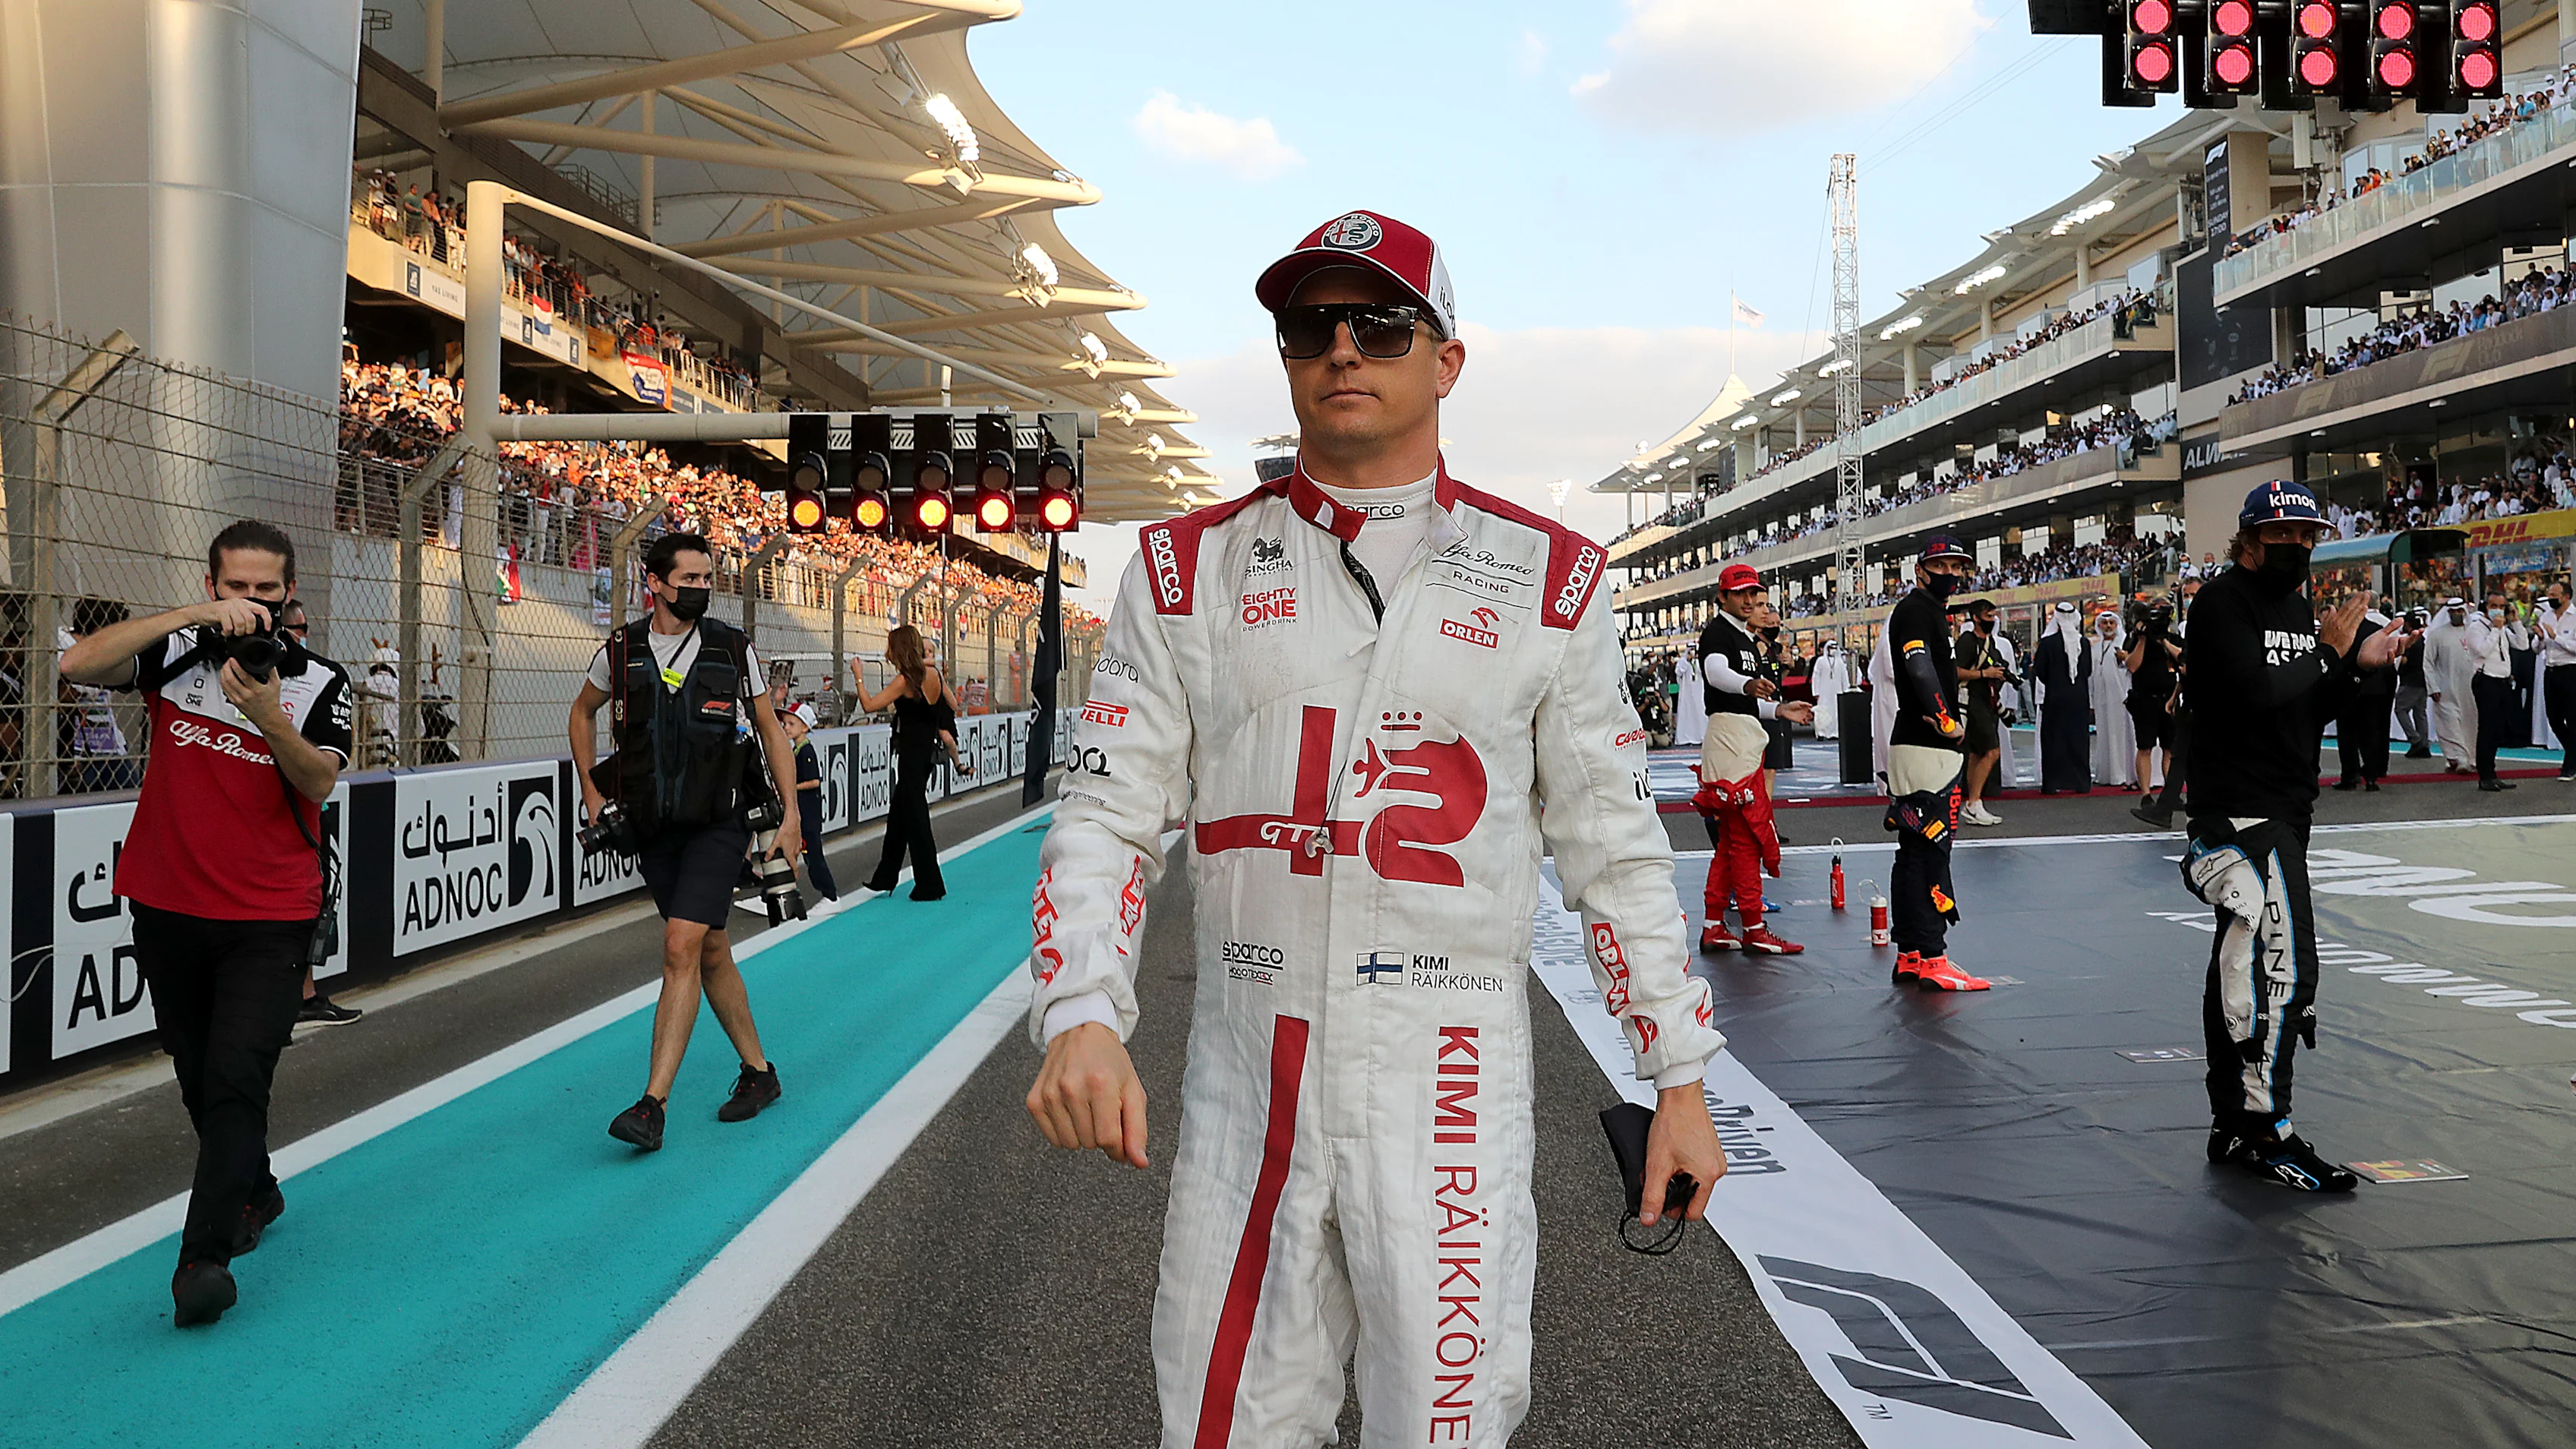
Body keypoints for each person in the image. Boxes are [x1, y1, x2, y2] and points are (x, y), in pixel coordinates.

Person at [1022, 210, 1727, 1444]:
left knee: (1449, 1425)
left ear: (1445, 358)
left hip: (1448, 1088)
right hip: (1248, 1085)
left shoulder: (1551, 578)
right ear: (1287, 354)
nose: (1344, 347)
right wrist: (1081, 1007)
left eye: (1381, 322)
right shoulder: (1185, 568)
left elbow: (1611, 847)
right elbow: (1109, 809)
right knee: (1222, 1423)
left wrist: (1674, 1075)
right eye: (1311, 324)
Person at [59, 521, 355, 1327]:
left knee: (235, 1080)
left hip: (269, 915)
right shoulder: (177, 654)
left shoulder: (321, 683)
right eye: (237, 588)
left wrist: (267, 718)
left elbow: (318, 785)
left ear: (290, 594)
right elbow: (77, 664)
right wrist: (192, 616)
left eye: (267, 591)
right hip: (166, 903)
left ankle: (204, 1260)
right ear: (214, 582)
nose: (253, 605)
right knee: (197, 1076)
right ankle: (253, 1187)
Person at [2180, 480, 2411, 1192]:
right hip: (2243, 813)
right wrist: (2330, 652)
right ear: (2248, 539)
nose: (2299, 547)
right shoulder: (2220, 604)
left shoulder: (2294, 606)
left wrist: (2355, 668)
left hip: (2286, 805)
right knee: (2283, 974)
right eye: (2284, 535)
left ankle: (2235, 1123)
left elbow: (2300, 709)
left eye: (2310, 536)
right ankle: (2266, 1126)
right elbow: (2254, 693)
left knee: (2244, 969)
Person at [569, 532, 795, 1153]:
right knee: (711, 950)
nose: (699, 588)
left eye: (706, 578)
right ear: (656, 582)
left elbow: (772, 731)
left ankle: (652, 1105)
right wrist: (593, 792)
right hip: (653, 827)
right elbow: (582, 712)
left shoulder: (731, 646)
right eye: (688, 578)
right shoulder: (620, 651)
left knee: (679, 947)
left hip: (718, 823)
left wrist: (793, 814)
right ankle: (759, 1073)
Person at [1881, 535, 1990, 991]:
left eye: (1958, 566)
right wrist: (1948, 723)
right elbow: (1919, 667)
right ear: (1922, 570)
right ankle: (1931, 954)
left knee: (1912, 852)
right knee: (1930, 851)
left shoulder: (1926, 612)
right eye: (1943, 565)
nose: (1952, 573)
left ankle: (1910, 952)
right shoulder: (1917, 611)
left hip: (1914, 743)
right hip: (1927, 747)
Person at [1693, 564, 1813, 955]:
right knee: (1746, 838)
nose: (1749, 601)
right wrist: (1748, 685)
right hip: (1731, 742)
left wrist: (1779, 710)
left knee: (1731, 840)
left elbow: (1742, 702)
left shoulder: (1743, 636)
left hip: (1737, 735)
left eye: (1754, 594)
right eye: (1741, 593)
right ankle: (1753, 926)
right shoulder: (1719, 632)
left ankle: (1715, 924)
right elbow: (1716, 675)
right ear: (1722, 596)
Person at [273, 601, 364, 1027]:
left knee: (318, 897)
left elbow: (324, 767)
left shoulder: (320, 678)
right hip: (268, 815)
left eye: (306, 627)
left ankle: (303, 993)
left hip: (309, 808)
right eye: (297, 627)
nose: (301, 634)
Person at [854, 624, 971, 900]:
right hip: (925, 753)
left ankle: (930, 884)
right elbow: (952, 704)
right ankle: (886, 876)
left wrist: (859, 677)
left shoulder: (905, 680)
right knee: (900, 814)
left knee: (916, 819)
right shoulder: (933, 674)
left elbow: (870, 706)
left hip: (910, 755)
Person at [2332, 599, 2398, 793]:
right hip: (2374, 687)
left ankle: (2349, 776)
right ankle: (2371, 776)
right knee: (2371, 732)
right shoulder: (2377, 630)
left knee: (2347, 734)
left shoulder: (2342, 631)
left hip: (2347, 686)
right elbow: (2388, 662)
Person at [1953, 598, 2008, 825]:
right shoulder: (1967, 641)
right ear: (1975, 618)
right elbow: (1955, 671)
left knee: (1976, 753)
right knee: (1993, 752)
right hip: (1972, 702)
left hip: (1986, 701)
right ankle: (1974, 801)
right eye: (1988, 616)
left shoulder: (1990, 642)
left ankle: (1972, 804)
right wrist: (1985, 675)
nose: (1992, 621)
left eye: (1994, 616)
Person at [2033, 601, 2092, 794]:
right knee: (2078, 739)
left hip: (2055, 698)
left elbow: (2040, 672)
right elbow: (2088, 670)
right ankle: (2081, 783)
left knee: (2053, 739)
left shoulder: (2048, 644)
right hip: (2079, 698)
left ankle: (2052, 783)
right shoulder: (2084, 642)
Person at [2125, 598, 2182, 797]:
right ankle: (2146, 794)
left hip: (2169, 699)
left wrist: (2164, 640)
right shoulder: (2136, 639)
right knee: (2145, 747)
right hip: (2144, 699)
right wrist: (2142, 638)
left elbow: (2183, 661)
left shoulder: (2173, 639)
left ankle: (2171, 794)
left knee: (2170, 748)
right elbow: (2132, 665)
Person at [783, 702, 839, 901]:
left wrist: (790, 787)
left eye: (791, 724)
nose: (786, 728)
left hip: (808, 815)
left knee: (813, 856)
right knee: (785, 853)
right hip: (800, 814)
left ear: (805, 727)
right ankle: (772, 894)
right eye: (786, 724)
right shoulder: (796, 751)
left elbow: (814, 781)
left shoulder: (806, 752)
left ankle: (830, 895)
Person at [2464, 598, 2518, 791]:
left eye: (2502, 607)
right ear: (2485, 608)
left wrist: (2516, 621)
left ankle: (2493, 773)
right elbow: (2483, 650)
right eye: (2493, 606)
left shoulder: (2503, 628)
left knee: (2498, 729)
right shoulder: (2476, 628)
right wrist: (2495, 629)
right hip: (2486, 680)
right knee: (2487, 728)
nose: (2498, 611)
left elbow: (2522, 644)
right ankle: (2485, 775)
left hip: (2503, 680)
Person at [2423, 598, 2478, 774]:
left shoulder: (2473, 632)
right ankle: (2459, 758)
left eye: (2459, 611)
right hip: (2446, 688)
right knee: (2449, 723)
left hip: (2471, 688)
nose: (2456, 615)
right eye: (2452, 612)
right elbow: (2428, 663)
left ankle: (2470, 758)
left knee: (2471, 724)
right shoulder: (2437, 635)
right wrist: (2433, 687)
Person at [2087, 608, 2137, 788]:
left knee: (2120, 735)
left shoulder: (2125, 643)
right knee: (2104, 735)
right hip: (2102, 700)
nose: (2108, 626)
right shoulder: (2095, 647)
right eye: (2104, 623)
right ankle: (2107, 774)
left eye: (2111, 623)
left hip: (2121, 698)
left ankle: (2122, 774)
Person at [2540, 579, 2576, 780]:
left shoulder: (2575, 617)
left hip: (2570, 670)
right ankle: (2573, 751)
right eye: (2550, 595)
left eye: (2555, 596)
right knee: (2553, 718)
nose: (2551, 599)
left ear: (2566, 597)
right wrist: (2540, 638)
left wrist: (2556, 637)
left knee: (2572, 719)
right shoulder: (2546, 615)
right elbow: (2539, 647)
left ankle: (2569, 766)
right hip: (2551, 669)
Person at [2394, 609, 2433, 759]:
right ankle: (2424, 744)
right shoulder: (2423, 640)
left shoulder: (2411, 642)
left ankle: (2415, 740)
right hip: (2422, 680)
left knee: (2400, 709)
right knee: (2420, 713)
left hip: (2410, 681)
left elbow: (2404, 661)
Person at [1810, 638, 1852, 741]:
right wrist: (1815, 691)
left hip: (1837, 691)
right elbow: (1816, 677)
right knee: (1822, 712)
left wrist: (1846, 690)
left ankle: (1834, 733)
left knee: (1836, 712)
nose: (1832, 650)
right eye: (1830, 648)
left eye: (1834, 648)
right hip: (1823, 692)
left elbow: (1844, 677)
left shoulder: (1840, 662)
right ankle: (1821, 733)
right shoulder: (1820, 661)